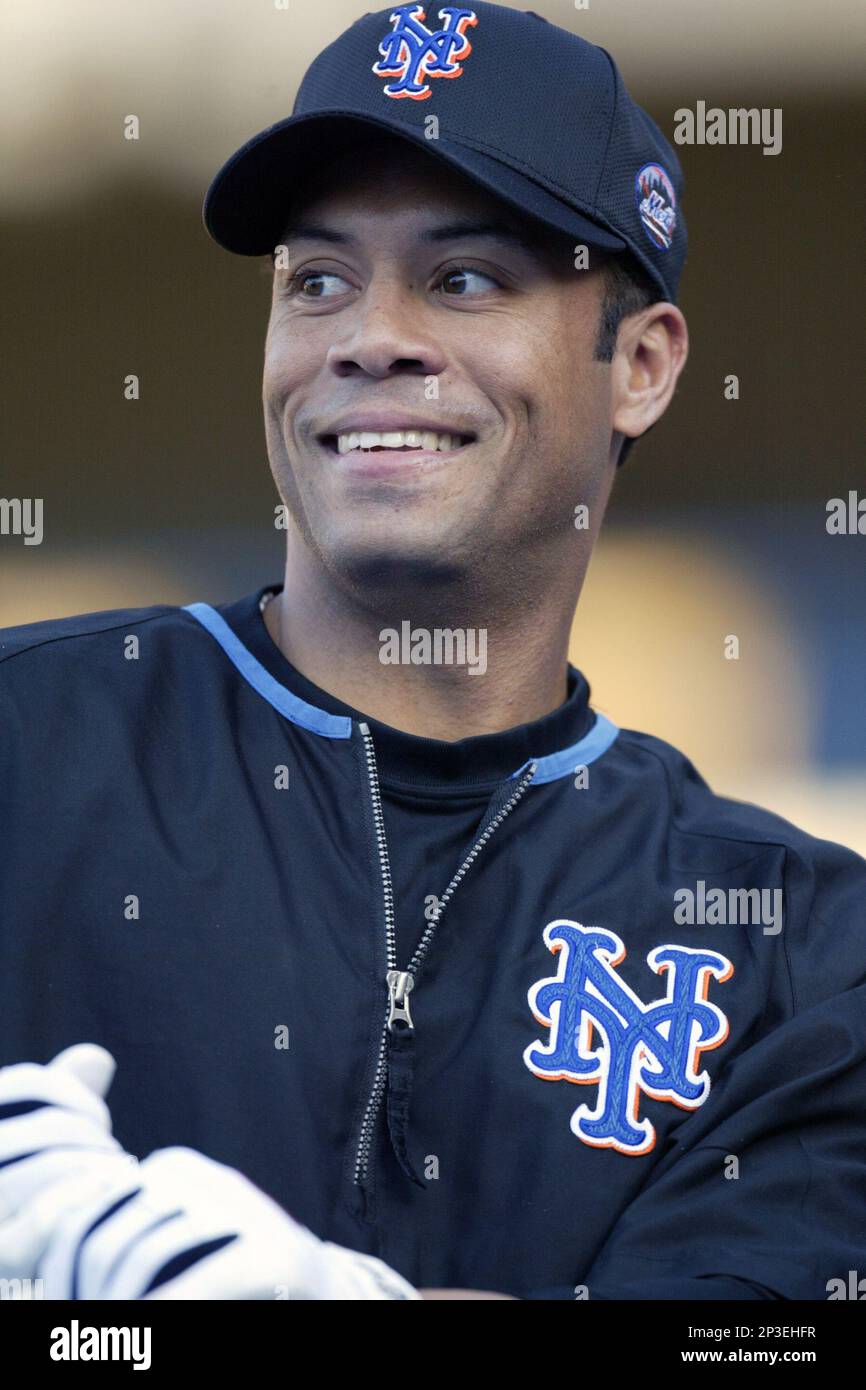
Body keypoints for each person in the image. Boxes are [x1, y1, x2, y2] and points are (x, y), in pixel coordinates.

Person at [1, 2, 864, 1301]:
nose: (368, 335)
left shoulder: (798, 944)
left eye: (464, 278)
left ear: (638, 363)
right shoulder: (28, 746)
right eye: (317, 280)